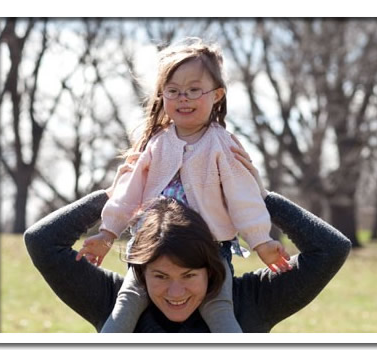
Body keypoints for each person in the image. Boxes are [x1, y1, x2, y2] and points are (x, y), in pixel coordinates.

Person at [75, 37, 292, 333]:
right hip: (151, 251)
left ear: (217, 95)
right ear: (162, 96)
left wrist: (261, 240)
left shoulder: (222, 146)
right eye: (173, 91)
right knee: (127, 301)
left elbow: (243, 197)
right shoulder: (157, 144)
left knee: (219, 310)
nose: (183, 98)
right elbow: (130, 191)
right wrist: (107, 232)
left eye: (193, 90)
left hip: (210, 253)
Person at [24, 146, 352, 333]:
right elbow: (41, 241)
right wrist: (118, 193)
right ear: (139, 272)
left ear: (212, 269)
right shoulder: (113, 301)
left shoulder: (250, 302)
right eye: (161, 276)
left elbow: (331, 249)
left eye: (190, 275)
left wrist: (257, 196)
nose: (176, 293)